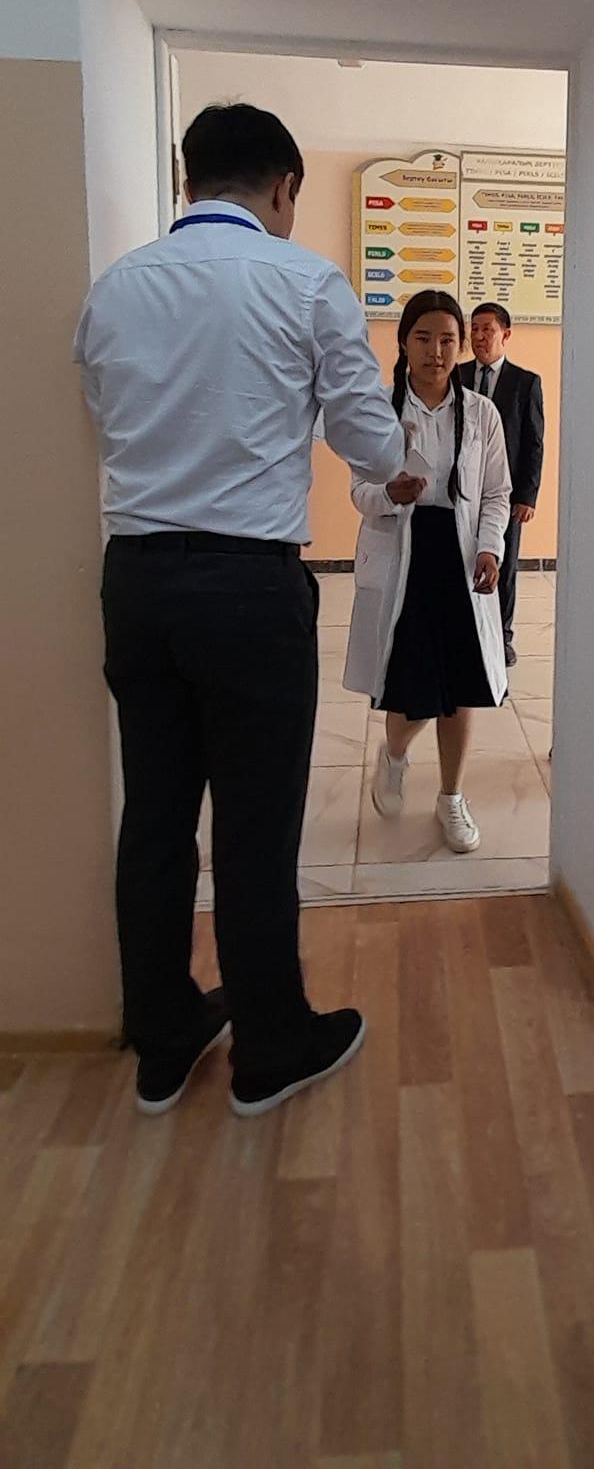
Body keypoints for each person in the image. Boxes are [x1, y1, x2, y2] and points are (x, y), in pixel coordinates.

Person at [74, 102, 405, 1119]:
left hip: (136, 582)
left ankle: (164, 1039)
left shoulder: (117, 286)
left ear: (188, 179)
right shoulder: (303, 280)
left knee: (156, 817)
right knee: (256, 827)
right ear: (283, 187)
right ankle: (270, 1048)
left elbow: (104, 410)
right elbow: (369, 434)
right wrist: (389, 460)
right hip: (247, 587)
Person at [343, 291, 511, 854]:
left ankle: (451, 796)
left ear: (460, 346)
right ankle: (393, 756)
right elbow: (360, 492)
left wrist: (490, 549)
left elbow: (496, 493)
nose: (435, 351)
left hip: (460, 559)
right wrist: (389, 494)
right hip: (404, 556)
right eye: (423, 338)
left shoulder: (482, 414)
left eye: (447, 340)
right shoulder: (379, 411)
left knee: (461, 685)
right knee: (409, 681)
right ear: (403, 342)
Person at [460, 303, 545, 666]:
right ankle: (465, 632)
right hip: (463, 491)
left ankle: (502, 636)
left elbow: (534, 442)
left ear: (505, 335)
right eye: (475, 329)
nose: (479, 337)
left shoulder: (525, 383)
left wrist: (527, 495)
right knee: (463, 561)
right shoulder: (457, 375)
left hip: (505, 494)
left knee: (503, 565)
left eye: (488, 330)